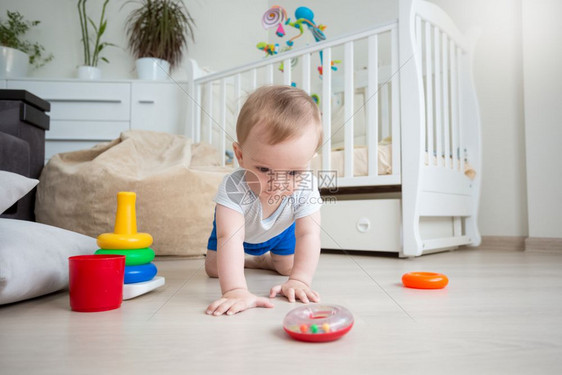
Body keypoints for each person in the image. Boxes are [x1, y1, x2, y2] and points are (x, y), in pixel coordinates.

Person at [205, 85, 324, 316]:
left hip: (280, 232)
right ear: (240, 155)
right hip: (235, 231)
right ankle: (251, 260)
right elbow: (228, 236)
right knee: (213, 268)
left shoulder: (306, 187)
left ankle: (264, 261)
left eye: (293, 173)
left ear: (309, 161)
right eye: (264, 168)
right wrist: (235, 290)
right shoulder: (233, 188)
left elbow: (309, 234)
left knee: (287, 268)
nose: (277, 183)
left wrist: (300, 280)